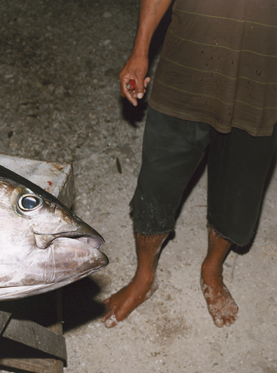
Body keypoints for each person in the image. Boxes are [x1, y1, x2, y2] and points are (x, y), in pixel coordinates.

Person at [102, 0, 277, 328]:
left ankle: (212, 269)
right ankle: (144, 277)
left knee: (239, 192)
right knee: (157, 181)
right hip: (187, 65)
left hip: (264, 78)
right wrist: (140, 49)